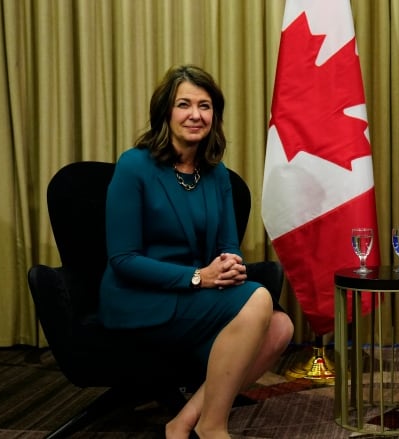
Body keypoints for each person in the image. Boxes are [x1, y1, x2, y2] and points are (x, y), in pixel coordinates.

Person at [98, 64, 294, 439]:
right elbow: (122, 260)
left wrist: (230, 264)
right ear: (166, 113)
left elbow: (226, 245)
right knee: (259, 299)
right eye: (183, 104)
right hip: (140, 299)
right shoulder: (134, 166)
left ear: (214, 116)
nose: (195, 115)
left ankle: (183, 422)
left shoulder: (216, 174)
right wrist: (198, 276)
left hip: (194, 296)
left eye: (204, 106)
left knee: (281, 327)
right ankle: (213, 427)